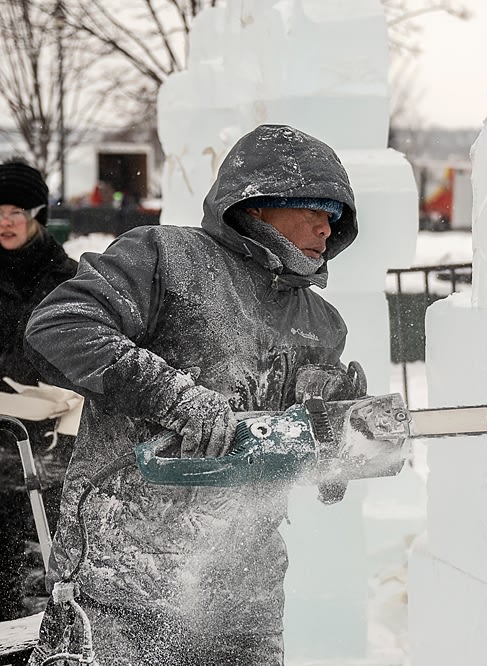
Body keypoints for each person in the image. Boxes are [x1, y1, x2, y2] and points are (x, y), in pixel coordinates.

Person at [24, 124, 366, 665]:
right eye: (316, 207)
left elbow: (305, 468)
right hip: (124, 574)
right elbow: (62, 323)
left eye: (336, 216)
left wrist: (337, 441)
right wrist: (174, 396)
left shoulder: (322, 325)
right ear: (258, 202)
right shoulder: (165, 258)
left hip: (244, 593)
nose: (327, 227)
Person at [0, 159, 78, 621]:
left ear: (37, 215)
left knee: (41, 561)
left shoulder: (68, 279)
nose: (4, 223)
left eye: (14, 211)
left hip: (46, 448)